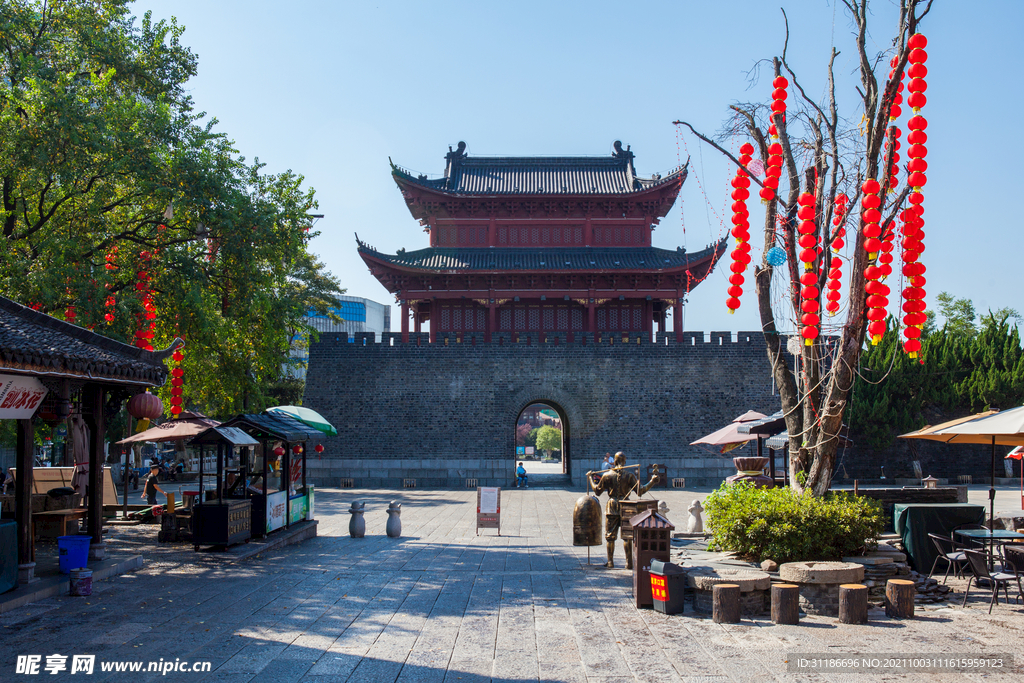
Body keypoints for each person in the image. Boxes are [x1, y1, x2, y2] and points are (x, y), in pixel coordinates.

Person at [590, 452, 659, 569]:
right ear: (624, 462)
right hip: (627, 507)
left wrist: (591, 478)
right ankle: (629, 563)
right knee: (627, 536)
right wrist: (652, 482)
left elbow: (597, 491)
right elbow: (640, 491)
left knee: (610, 536)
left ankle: (610, 562)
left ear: (614, 461)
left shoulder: (607, 475)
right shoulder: (629, 475)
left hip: (611, 506)